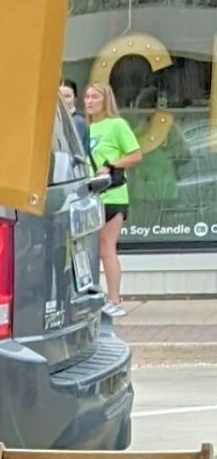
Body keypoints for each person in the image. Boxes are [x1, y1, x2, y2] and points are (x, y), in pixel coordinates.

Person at [84, 81, 142, 318]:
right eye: (87, 97)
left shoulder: (117, 125)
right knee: (88, 250)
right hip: (87, 194)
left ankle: (114, 299)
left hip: (111, 194)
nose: (89, 101)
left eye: (94, 97)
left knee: (107, 247)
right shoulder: (84, 128)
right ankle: (93, 296)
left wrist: (111, 165)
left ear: (105, 99)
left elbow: (136, 154)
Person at [59, 79, 87, 149]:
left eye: (67, 96)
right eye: (60, 96)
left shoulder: (78, 121)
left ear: (75, 98)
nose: (63, 100)